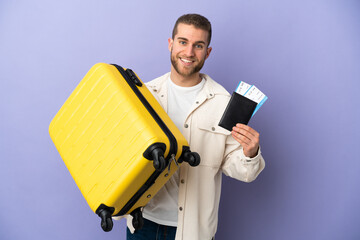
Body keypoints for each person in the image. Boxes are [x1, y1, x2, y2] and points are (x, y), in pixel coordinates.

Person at [126, 13, 265, 240]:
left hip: (192, 230)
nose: (189, 53)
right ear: (170, 44)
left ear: (207, 52)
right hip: (142, 222)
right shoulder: (145, 95)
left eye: (198, 45)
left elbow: (242, 171)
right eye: (183, 42)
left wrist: (251, 154)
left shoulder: (222, 102)